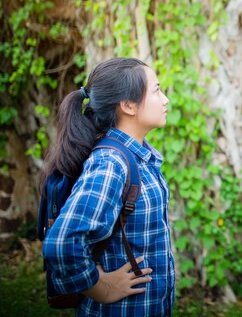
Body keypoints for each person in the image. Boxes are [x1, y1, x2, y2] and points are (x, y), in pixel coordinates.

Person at [40, 57, 175, 316]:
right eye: (157, 90)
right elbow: (61, 244)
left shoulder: (136, 157)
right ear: (127, 105)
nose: (165, 99)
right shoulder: (112, 163)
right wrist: (101, 288)